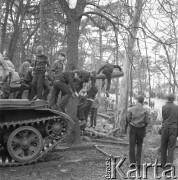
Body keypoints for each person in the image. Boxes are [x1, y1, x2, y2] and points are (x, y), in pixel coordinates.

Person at [127, 95, 150, 172]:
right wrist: (143, 125)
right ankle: (138, 163)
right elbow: (147, 121)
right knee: (139, 145)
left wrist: (131, 123)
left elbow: (128, 118)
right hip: (141, 129)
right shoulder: (145, 110)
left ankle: (132, 163)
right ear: (143, 101)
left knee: (132, 145)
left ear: (137, 100)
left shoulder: (131, 109)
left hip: (133, 128)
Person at [161, 94, 178, 169]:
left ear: (167, 98)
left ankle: (163, 164)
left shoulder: (164, 107)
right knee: (171, 147)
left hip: (164, 128)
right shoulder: (177, 107)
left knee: (163, 146)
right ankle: (169, 165)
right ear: (173, 99)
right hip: (174, 128)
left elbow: (163, 118)